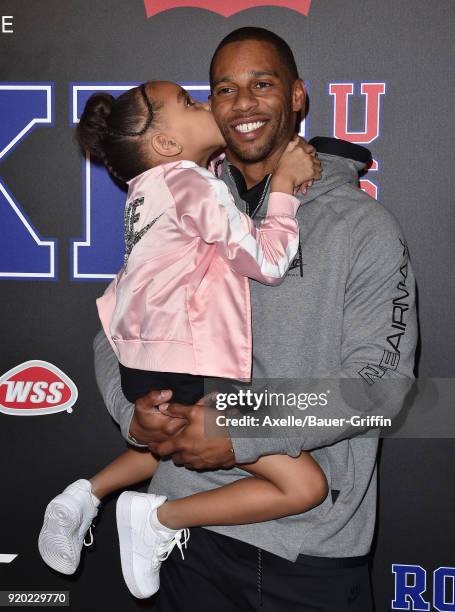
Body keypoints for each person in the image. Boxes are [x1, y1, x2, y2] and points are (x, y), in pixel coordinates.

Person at [94, 28, 418, 612]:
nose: (242, 102)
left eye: (261, 84)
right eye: (223, 89)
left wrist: (241, 426)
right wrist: (139, 420)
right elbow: (115, 327)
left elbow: (381, 389)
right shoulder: (179, 200)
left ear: (297, 96)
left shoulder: (361, 227)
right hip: (181, 542)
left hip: (310, 548)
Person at [38, 79, 325, 599]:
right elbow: (266, 261)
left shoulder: (147, 192)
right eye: (191, 104)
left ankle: (84, 494)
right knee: (305, 486)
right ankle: (159, 518)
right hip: (191, 361)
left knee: (171, 439)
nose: (207, 104)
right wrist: (283, 185)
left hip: (146, 363)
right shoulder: (191, 185)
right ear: (168, 145)